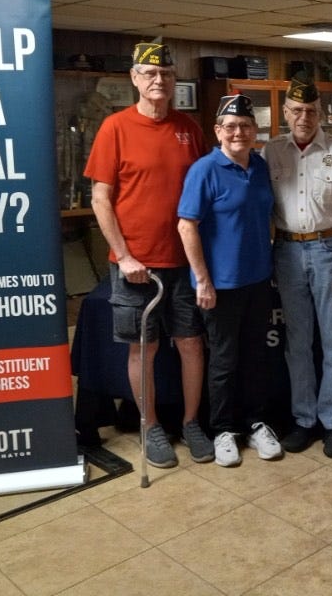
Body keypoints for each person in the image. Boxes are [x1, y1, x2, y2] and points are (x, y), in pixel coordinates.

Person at [84, 42, 214, 468]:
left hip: (184, 263)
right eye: (150, 74)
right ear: (135, 79)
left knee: (192, 344)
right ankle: (149, 424)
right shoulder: (115, 128)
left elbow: (201, 192)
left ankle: (193, 422)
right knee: (145, 349)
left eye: (167, 75)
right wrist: (123, 256)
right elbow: (101, 199)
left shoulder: (189, 128)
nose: (160, 81)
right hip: (135, 267)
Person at [261, 77, 332, 458]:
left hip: (330, 250)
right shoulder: (271, 152)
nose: (303, 117)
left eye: (310, 111)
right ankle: (304, 420)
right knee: (297, 344)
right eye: (296, 111)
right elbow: (263, 209)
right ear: (285, 113)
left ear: (321, 112)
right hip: (289, 252)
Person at [177, 93, 282, 467]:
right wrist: (202, 280)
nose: (239, 132)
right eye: (231, 127)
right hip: (219, 286)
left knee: (256, 358)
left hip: (257, 281)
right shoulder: (204, 170)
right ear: (218, 131)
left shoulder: (259, 166)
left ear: (255, 131)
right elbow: (187, 225)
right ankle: (222, 430)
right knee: (223, 360)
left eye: (246, 126)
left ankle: (256, 423)